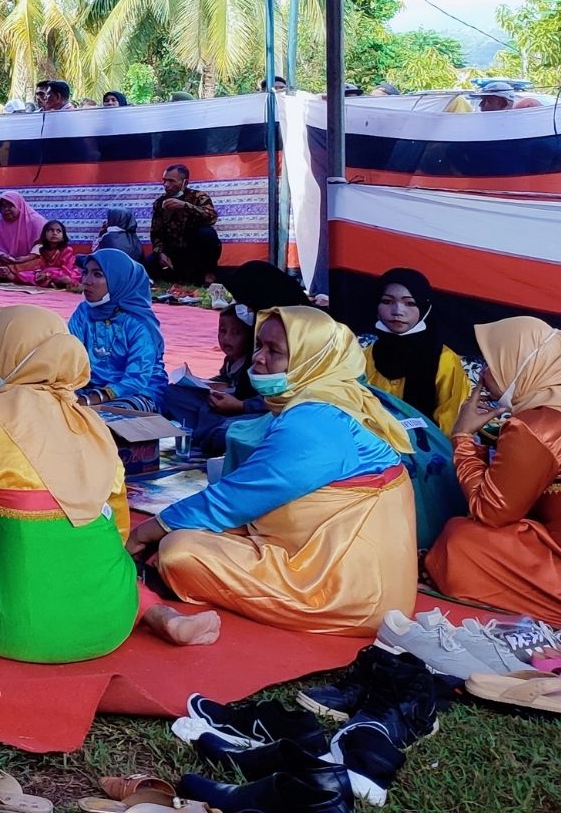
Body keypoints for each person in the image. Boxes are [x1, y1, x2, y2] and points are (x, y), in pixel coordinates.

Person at [0, 306, 189, 662]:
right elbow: (117, 532)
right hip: (111, 622)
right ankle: (152, 610)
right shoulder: (95, 427)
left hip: (14, 628)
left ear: (5, 354)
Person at [127, 306, 417, 635]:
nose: (258, 359)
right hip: (319, 551)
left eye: (274, 351)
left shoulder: (315, 422)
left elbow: (235, 499)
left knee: (179, 551)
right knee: (197, 528)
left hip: (348, 591)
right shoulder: (330, 398)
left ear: (310, 359)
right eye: (259, 346)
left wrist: (147, 531)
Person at [423, 319, 561, 621]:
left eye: (493, 362)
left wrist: (462, 437)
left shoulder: (539, 425)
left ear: (522, 366)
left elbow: (491, 511)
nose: (482, 374)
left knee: (461, 541)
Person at [362, 268, 468, 435]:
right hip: (370, 445)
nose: (397, 311)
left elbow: (451, 422)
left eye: (410, 303)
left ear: (424, 306)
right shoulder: (365, 356)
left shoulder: (443, 358)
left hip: (427, 447)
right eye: (387, 301)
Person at [68, 248, 167, 411]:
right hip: (89, 389)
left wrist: (95, 398)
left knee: (113, 415)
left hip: (136, 392)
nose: (86, 281)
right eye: (85, 273)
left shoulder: (138, 322)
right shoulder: (84, 312)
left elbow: (137, 377)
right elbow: (68, 352)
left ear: (118, 279)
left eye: (97, 274)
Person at [164, 305, 269, 458]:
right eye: (222, 331)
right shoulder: (230, 360)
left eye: (236, 333)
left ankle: (205, 430)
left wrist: (240, 406)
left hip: (245, 415)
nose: (226, 338)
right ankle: (205, 429)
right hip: (219, 407)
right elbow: (223, 380)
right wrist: (199, 382)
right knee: (171, 392)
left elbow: (270, 402)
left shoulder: (259, 363)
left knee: (222, 435)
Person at [147, 164, 223, 283]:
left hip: (194, 250)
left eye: (171, 181)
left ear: (184, 182)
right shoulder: (160, 203)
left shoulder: (198, 197)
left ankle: (209, 273)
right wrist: (161, 252)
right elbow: (156, 232)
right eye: (164, 181)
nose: (166, 185)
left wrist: (185, 206)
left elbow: (211, 217)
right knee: (149, 263)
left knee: (207, 233)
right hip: (172, 251)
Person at [0, 220, 80, 288]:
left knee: (66, 279)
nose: (54, 233)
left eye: (58, 231)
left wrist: (48, 274)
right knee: (26, 275)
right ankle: (9, 276)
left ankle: (52, 282)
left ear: (63, 237)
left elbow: (66, 270)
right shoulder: (42, 250)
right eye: (51, 230)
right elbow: (40, 266)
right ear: (44, 234)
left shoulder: (67, 250)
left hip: (65, 274)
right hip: (46, 274)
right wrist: (39, 273)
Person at [0, 191, 47, 266]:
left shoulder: (36, 221)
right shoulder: (0, 226)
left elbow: (44, 243)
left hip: (31, 259)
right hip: (9, 261)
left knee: (39, 262)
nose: (6, 209)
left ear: (19, 205)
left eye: (10, 205)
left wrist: (29, 257)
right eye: (3, 206)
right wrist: (1, 255)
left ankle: (11, 270)